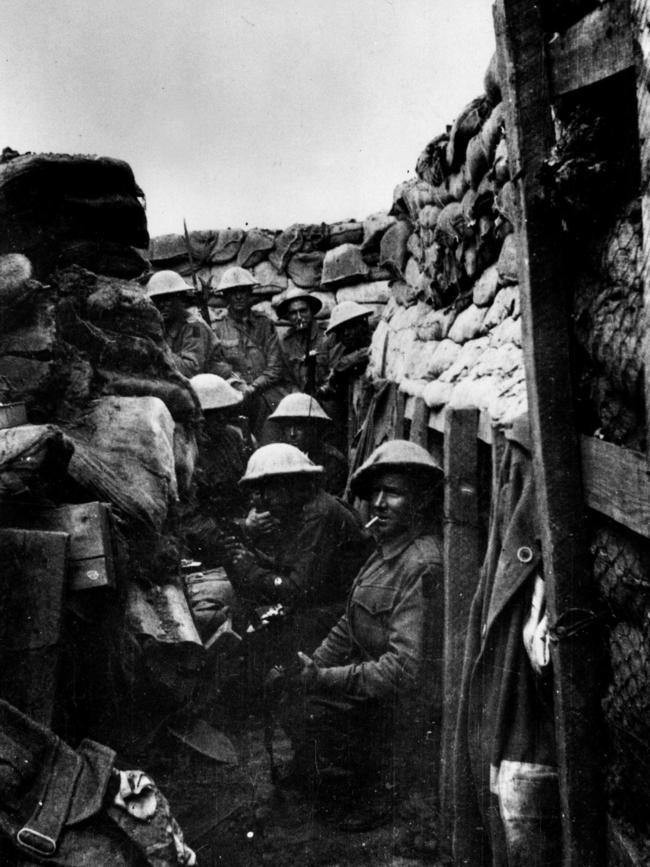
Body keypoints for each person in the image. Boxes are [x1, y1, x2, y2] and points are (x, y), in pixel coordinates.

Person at [276, 439, 443, 831]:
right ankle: (330, 772)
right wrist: (313, 665)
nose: (380, 503)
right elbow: (349, 623)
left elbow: (404, 671)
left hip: (404, 706)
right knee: (290, 691)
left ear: (419, 502)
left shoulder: (421, 563)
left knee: (314, 710)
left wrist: (324, 680)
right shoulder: (386, 550)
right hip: (375, 686)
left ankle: (377, 790)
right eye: (376, 493)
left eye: (395, 493)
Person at [223, 443, 371, 668]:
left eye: (267, 491)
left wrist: (251, 570)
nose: (261, 500)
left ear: (290, 486)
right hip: (324, 607)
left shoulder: (319, 515)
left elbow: (297, 589)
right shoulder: (303, 509)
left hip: (342, 616)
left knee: (259, 648)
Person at [178, 374, 252, 570]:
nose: (221, 419)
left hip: (242, 526)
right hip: (206, 538)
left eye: (224, 412)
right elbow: (186, 515)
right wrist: (237, 528)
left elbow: (249, 485)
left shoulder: (233, 439)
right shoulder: (184, 451)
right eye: (213, 414)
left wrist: (253, 515)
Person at [211, 266, 289, 436]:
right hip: (233, 395)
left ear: (250, 294)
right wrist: (238, 386)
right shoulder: (217, 329)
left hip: (265, 393)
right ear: (225, 296)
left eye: (243, 291)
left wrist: (253, 387)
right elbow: (217, 365)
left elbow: (275, 367)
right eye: (233, 292)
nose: (239, 296)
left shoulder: (264, 325)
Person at [146, 270, 232, 379]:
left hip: (212, 383)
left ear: (180, 298)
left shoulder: (194, 327)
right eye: (157, 300)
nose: (162, 304)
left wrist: (160, 348)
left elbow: (191, 370)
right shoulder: (162, 324)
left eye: (167, 299)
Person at [261, 392, 348, 496]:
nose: (292, 434)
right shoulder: (279, 459)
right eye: (288, 427)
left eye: (299, 427)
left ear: (314, 428)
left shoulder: (331, 461)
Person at [318, 300, 373, 451]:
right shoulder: (338, 350)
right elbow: (331, 375)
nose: (346, 333)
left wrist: (352, 360)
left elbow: (369, 355)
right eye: (341, 331)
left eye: (350, 327)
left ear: (363, 324)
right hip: (346, 411)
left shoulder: (377, 341)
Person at [275, 287, 329, 395]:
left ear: (312, 311)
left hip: (327, 396)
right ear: (288, 317)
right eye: (293, 313)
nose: (299, 317)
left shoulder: (326, 335)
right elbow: (285, 378)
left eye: (303, 311)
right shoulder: (285, 343)